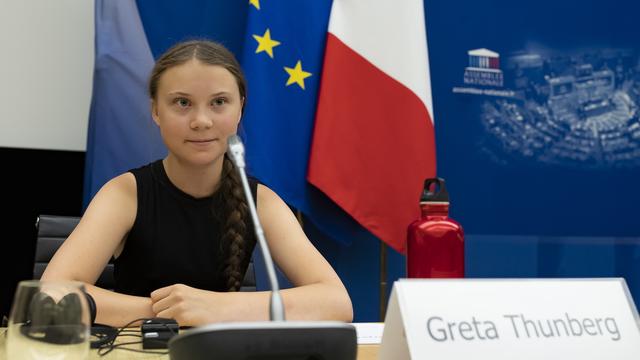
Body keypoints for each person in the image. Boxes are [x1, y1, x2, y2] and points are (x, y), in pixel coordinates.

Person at [41, 40, 353, 327]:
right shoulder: (125, 193)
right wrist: (171, 312)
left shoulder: (260, 200)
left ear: (240, 107)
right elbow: (51, 295)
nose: (201, 120)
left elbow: (336, 302)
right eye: (182, 103)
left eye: (219, 102)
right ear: (155, 111)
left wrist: (217, 308)